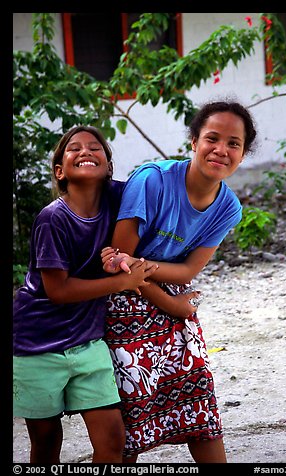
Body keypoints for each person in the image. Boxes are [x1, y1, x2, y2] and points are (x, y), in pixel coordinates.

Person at [101, 99, 257, 463]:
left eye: (233, 144)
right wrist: (173, 304)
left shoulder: (228, 207)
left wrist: (156, 281)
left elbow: (187, 271)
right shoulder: (152, 180)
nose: (221, 150)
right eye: (212, 139)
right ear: (194, 142)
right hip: (119, 299)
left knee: (199, 394)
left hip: (164, 289)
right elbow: (121, 265)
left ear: (243, 153)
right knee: (132, 408)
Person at [13, 125, 158, 464]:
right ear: (60, 171)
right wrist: (120, 283)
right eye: (74, 148)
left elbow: (159, 189)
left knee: (112, 441)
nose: (85, 151)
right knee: (46, 443)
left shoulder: (119, 200)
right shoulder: (53, 218)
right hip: (36, 343)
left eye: (95, 147)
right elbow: (58, 290)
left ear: (108, 166)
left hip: (88, 341)